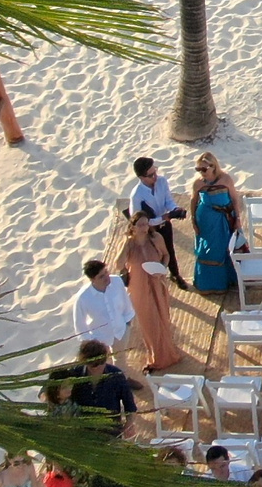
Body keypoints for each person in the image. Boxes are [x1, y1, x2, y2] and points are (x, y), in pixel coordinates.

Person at [121, 214, 184, 371]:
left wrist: (162, 268)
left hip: (157, 281)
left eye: (146, 224)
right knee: (148, 321)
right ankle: (156, 356)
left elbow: (166, 254)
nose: (144, 228)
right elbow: (118, 263)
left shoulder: (156, 238)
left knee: (162, 316)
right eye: (140, 225)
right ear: (133, 227)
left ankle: (168, 352)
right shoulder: (129, 244)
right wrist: (126, 244)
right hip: (139, 286)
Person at [188, 152, 242, 294]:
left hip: (224, 219)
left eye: (204, 169)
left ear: (213, 167)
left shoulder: (225, 179)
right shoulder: (198, 183)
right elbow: (193, 201)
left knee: (224, 247)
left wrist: (237, 218)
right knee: (207, 250)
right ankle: (208, 284)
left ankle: (226, 281)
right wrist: (193, 220)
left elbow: (235, 199)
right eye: (198, 169)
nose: (201, 173)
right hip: (206, 219)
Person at [68, 341, 141, 432]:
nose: (97, 368)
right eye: (93, 365)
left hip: (110, 431)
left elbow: (129, 404)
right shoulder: (75, 374)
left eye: (100, 363)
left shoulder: (116, 375)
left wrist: (129, 424)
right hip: (83, 431)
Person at [70, 257, 135, 352]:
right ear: (92, 280)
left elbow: (126, 303)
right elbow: (79, 324)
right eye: (101, 276)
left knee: (120, 361)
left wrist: (127, 324)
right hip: (99, 339)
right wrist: (90, 341)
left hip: (120, 332)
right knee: (103, 365)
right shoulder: (83, 297)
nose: (106, 277)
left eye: (106, 272)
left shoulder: (117, 281)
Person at [128, 154, 181, 265]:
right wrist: (162, 218)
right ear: (142, 177)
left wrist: (175, 209)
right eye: (151, 175)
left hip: (164, 224)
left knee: (169, 250)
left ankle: (175, 275)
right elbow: (137, 220)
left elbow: (168, 200)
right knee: (153, 255)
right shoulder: (136, 195)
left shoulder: (162, 181)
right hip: (148, 229)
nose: (155, 177)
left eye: (155, 171)